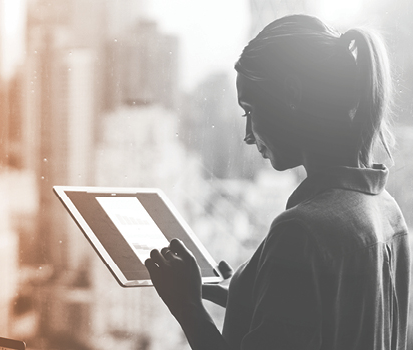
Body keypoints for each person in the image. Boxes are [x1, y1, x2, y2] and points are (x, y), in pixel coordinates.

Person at [145, 14, 410, 350]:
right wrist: (247, 295)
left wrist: (187, 306)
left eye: (250, 110)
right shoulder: (388, 212)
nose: (247, 136)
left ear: (292, 94)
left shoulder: (302, 231)